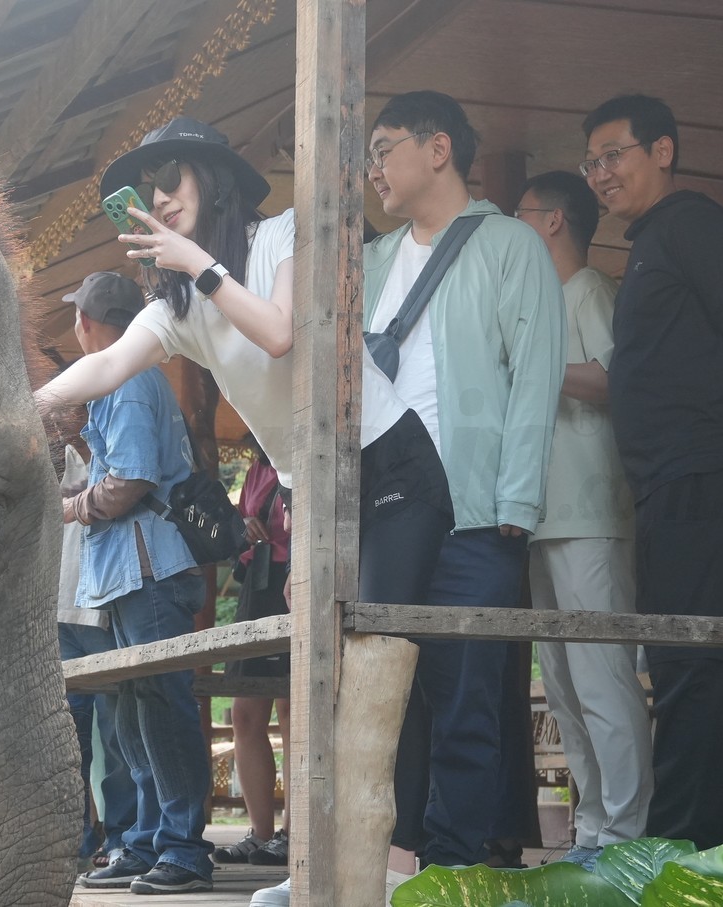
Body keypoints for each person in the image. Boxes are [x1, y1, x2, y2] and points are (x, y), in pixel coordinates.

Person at [33, 115, 453, 907]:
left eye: (171, 178)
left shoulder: (280, 235)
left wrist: (198, 264)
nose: (158, 198)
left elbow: (280, 333)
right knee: (324, 672)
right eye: (148, 189)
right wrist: (18, 408)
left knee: (378, 666)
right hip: (312, 491)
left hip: (389, 463)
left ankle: (396, 866)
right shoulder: (174, 308)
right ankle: (326, 866)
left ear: (215, 179)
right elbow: (103, 367)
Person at [580, 93, 723, 849]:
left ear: (663, 151)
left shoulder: (692, 224)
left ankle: (685, 847)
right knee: (679, 660)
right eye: (591, 163)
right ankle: (687, 841)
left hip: (700, 475)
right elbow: (697, 369)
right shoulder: (652, 242)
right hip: (676, 477)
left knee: (689, 660)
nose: (601, 173)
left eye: (614, 154)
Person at [364, 90, 565, 870]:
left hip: (474, 514)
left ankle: (454, 866)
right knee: (382, 698)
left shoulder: (511, 246)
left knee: (466, 696)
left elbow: (536, 375)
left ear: (437, 147)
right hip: (384, 516)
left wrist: (516, 500)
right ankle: (385, 861)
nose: (373, 170)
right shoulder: (370, 261)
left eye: (383, 149)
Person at [514, 170, 653, 869]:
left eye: (522, 214)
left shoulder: (591, 289)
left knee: (603, 679)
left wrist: (536, 365)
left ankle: (626, 833)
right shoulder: (542, 304)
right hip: (543, 516)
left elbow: (612, 379)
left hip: (592, 512)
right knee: (565, 689)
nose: (513, 228)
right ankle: (592, 827)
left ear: (554, 221)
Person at [61, 271, 215, 895]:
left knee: (161, 706)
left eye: (76, 316)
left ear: (88, 323)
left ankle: (183, 849)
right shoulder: (128, 380)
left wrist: (71, 507)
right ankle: (147, 841)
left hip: (149, 568)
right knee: (134, 709)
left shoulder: (124, 382)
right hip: (131, 572)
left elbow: (130, 479)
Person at [55, 439, 137, 874]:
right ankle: (76, 837)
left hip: (100, 607)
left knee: (115, 732)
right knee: (67, 737)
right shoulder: (48, 454)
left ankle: (121, 835)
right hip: (53, 611)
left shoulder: (109, 448)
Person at [214, 437, 290, 867]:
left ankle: (294, 832)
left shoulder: (302, 449)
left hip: (294, 578)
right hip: (257, 584)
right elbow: (241, 520)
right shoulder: (260, 464)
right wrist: (245, 524)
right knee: (244, 712)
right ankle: (260, 832)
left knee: (293, 708)